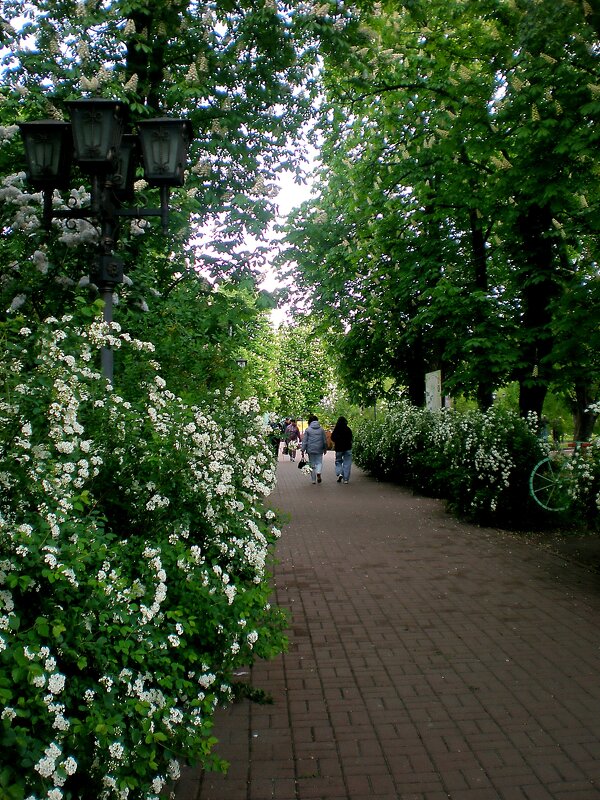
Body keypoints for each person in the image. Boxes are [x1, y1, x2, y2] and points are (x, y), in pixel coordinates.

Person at [301, 414, 328, 484]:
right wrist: (325, 448)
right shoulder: (321, 430)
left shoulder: (308, 430)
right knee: (319, 462)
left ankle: (313, 480)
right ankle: (318, 472)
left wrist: (302, 449)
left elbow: (305, 441)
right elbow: (324, 440)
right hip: (319, 449)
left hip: (310, 449)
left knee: (312, 464)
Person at [331, 415, 353, 484]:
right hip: (347, 448)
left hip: (339, 448)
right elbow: (351, 438)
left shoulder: (336, 430)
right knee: (347, 463)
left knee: (338, 461)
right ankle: (346, 479)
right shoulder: (348, 429)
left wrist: (337, 441)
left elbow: (332, 438)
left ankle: (339, 473)